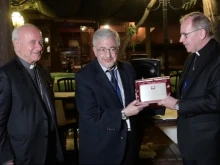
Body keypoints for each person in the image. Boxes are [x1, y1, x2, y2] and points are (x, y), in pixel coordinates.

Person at [75, 28, 149, 165]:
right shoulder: (84, 76)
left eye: (112, 49)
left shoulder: (128, 68)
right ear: (94, 50)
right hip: (102, 147)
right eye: (102, 49)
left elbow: (136, 98)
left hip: (129, 144)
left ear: (118, 48)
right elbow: (91, 115)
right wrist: (123, 113)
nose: (108, 54)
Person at [158, 12, 220, 165]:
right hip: (189, 142)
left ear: (202, 33)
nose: (180, 40)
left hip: (209, 145)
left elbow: (216, 100)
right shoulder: (192, 56)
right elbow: (186, 92)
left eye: (185, 34)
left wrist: (177, 105)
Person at [0, 24, 63, 165]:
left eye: (40, 42)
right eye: (33, 42)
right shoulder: (6, 75)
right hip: (23, 155)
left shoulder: (44, 72)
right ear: (17, 44)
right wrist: (6, 159)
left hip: (50, 151)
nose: (40, 47)